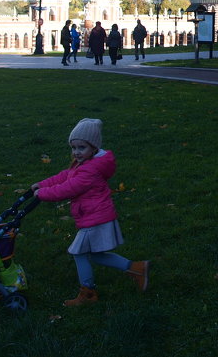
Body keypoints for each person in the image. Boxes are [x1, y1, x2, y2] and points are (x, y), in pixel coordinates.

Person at [31, 118, 149, 307]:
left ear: (93, 147)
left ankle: (87, 294)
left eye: (81, 147)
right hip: (95, 216)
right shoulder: (83, 163)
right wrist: (42, 184)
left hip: (96, 219)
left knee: (79, 253)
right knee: (94, 255)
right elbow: (64, 176)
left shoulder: (90, 171)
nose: (76, 152)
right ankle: (136, 268)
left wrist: (42, 194)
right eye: (73, 147)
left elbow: (68, 188)